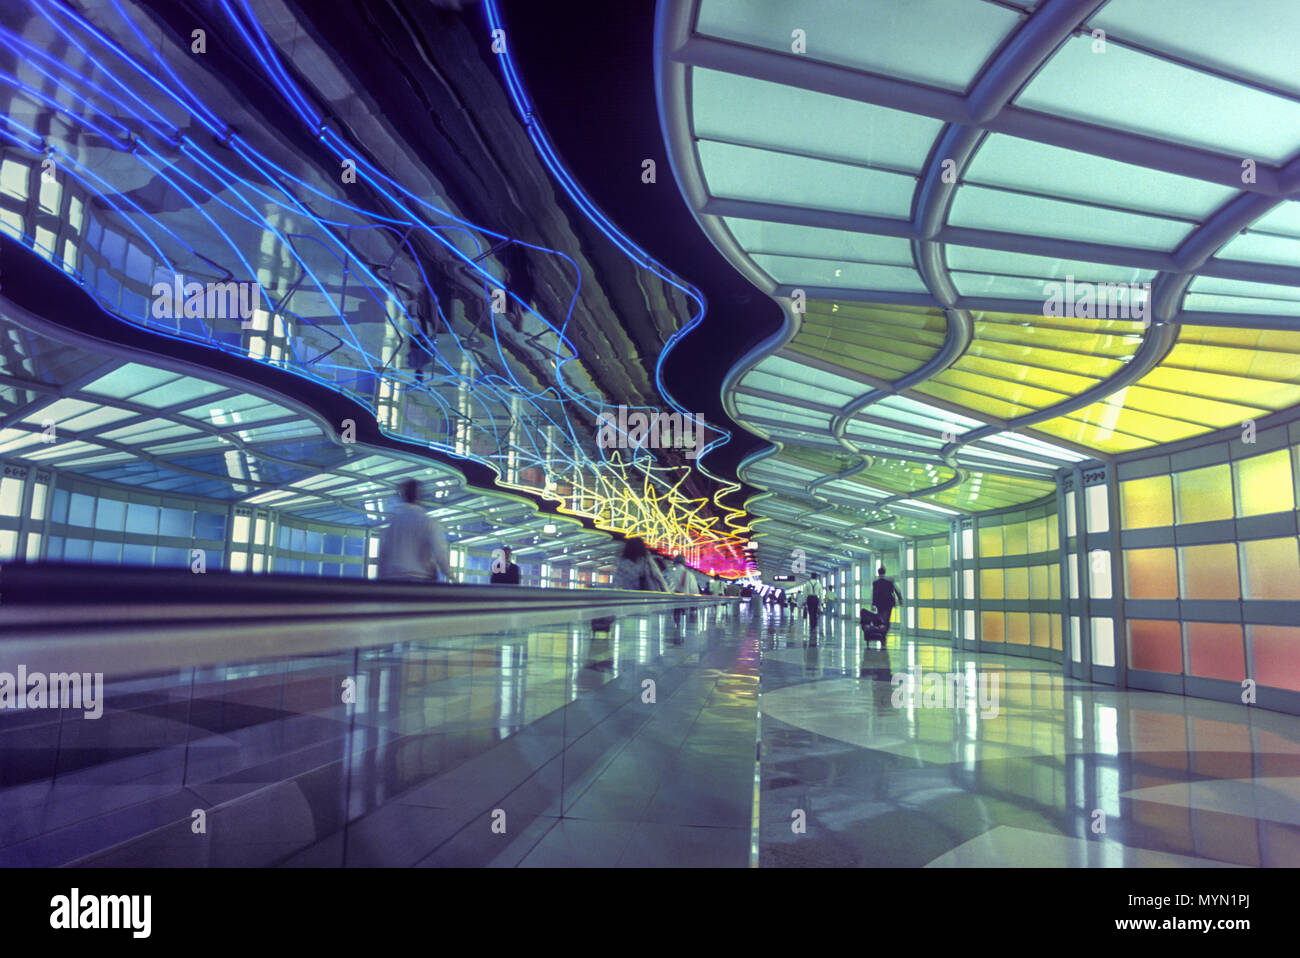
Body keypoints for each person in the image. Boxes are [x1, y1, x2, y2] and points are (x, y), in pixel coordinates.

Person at [377, 479, 453, 582]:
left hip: (391, 579)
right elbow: (439, 553)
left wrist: (380, 580)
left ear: (403, 496)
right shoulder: (427, 521)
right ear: (418, 496)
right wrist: (450, 575)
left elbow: (383, 555)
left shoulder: (392, 523)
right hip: (418, 579)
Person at [872, 565, 903, 635]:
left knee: (881, 617)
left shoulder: (875, 582)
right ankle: (885, 631)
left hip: (879, 603)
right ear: (884, 572)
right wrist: (900, 599)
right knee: (887, 618)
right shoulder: (890, 581)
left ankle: (882, 631)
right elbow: (896, 590)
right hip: (889, 602)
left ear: (878, 573)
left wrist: (873, 604)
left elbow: (874, 594)